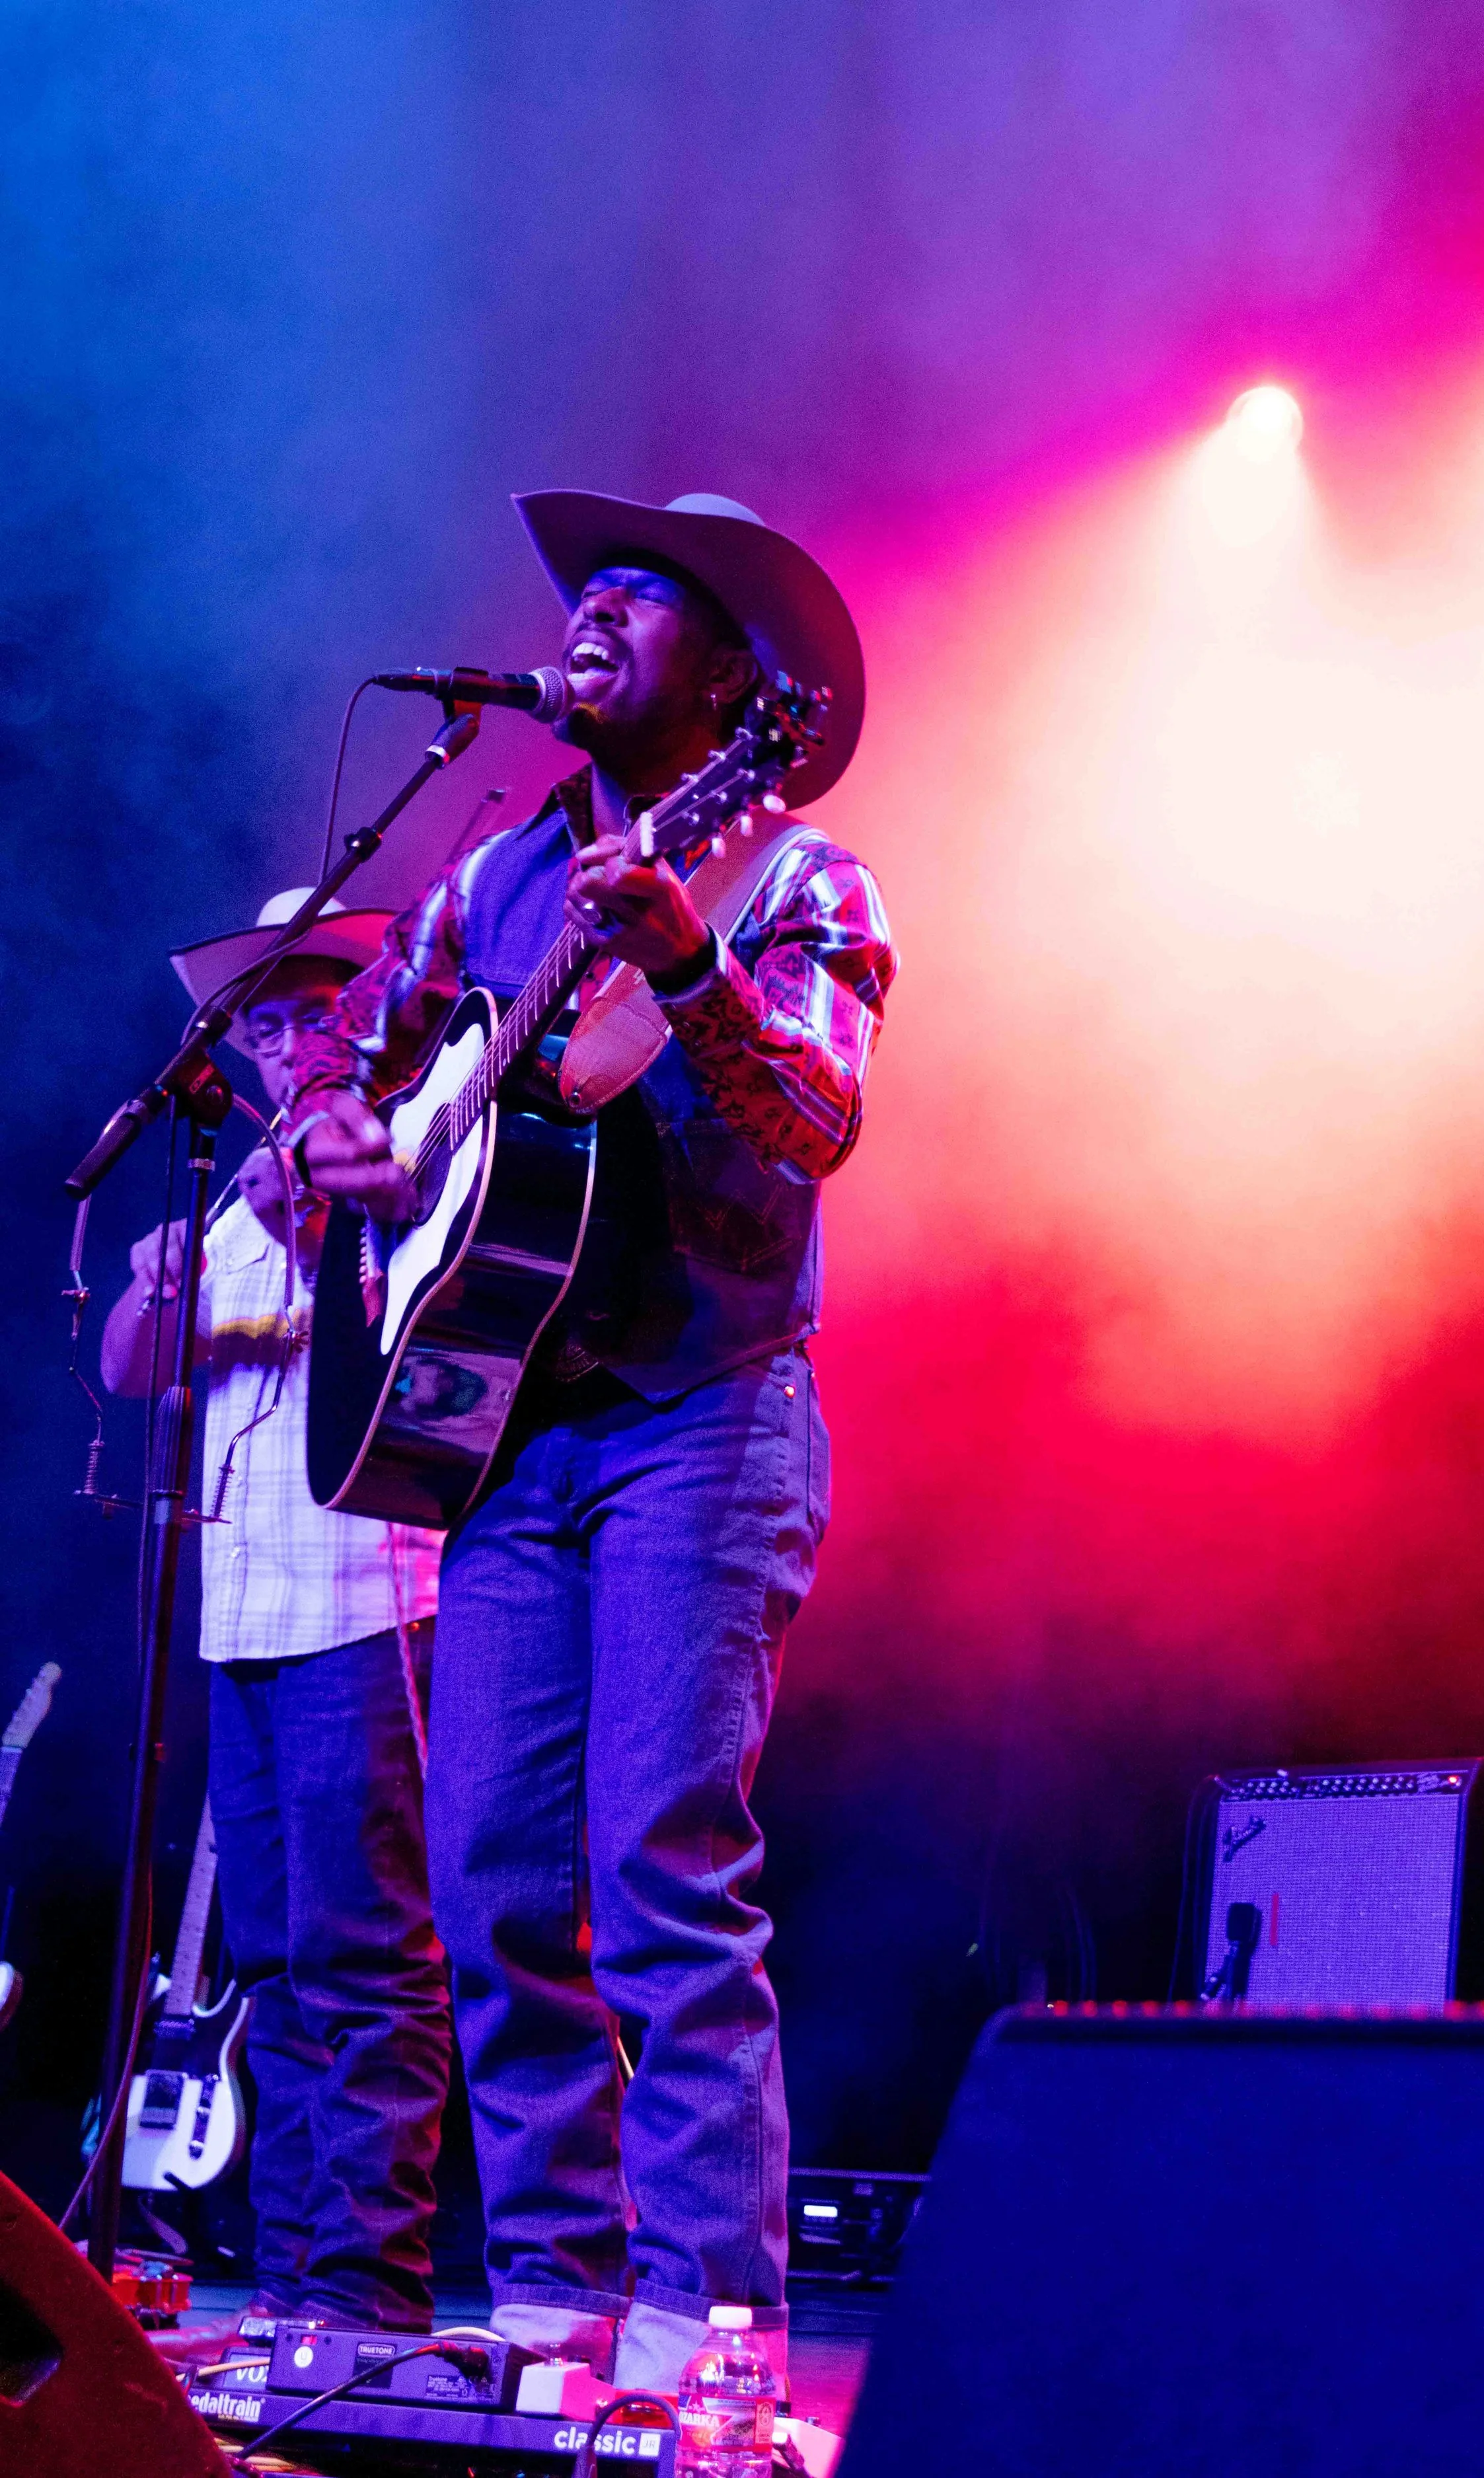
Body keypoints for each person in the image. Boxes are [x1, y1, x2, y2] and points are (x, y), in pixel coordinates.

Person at [289, 490, 896, 2395]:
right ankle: (554, 2308)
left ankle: (707, 2332)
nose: (594, 614)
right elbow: (347, 1050)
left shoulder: (793, 872)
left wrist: (689, 969)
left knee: (660, 1867)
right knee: (484, 1874)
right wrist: (342, 1134)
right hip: (510, 1445)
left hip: (703, 1417)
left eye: (642, 597)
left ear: (728, 678)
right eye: (588, 590)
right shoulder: (490, 882)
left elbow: (812, 1122)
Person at [101, 893, 450, 2345]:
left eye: (312, 1002)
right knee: (274, 1965)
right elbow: (129, 1362)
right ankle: (303, 2292)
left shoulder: (413, 1128)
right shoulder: (227, 1172)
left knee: (366, 1955)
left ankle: (364, 2302)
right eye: (258, 1015)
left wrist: (300, 1234)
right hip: (237, 1617)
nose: (284, 1033)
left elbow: (419, 1289)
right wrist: (181, 1275)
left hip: (365, 1606)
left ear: (365, 1005)